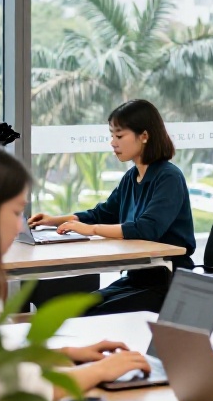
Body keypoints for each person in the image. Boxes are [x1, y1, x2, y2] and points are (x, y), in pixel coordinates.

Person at [0, 141, 152, 397]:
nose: (20, 227)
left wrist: (63, 354)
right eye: (16, 211)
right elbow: (14, 387)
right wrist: (101, 370)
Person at [29, 99, 195, 314]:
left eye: (119, 136)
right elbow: (103, 213)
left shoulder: (169, 177)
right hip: (138, 276)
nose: (112, 143)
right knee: (70, 309)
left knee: (82, 313)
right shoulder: (131, 176)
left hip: (168, 281)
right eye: (111, 136)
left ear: (144, 136)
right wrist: (55, 220)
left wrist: (91, 230)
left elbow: (147, 229)